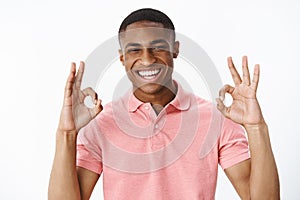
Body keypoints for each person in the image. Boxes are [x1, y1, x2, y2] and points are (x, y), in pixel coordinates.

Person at [48, 8, 279, 200]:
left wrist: (256, 127)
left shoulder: (215, 118)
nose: (147, 59)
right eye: (134, 50)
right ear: (122, 58)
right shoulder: (102, 123)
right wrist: (66, 133)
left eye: (158, 47)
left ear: (175, 50)